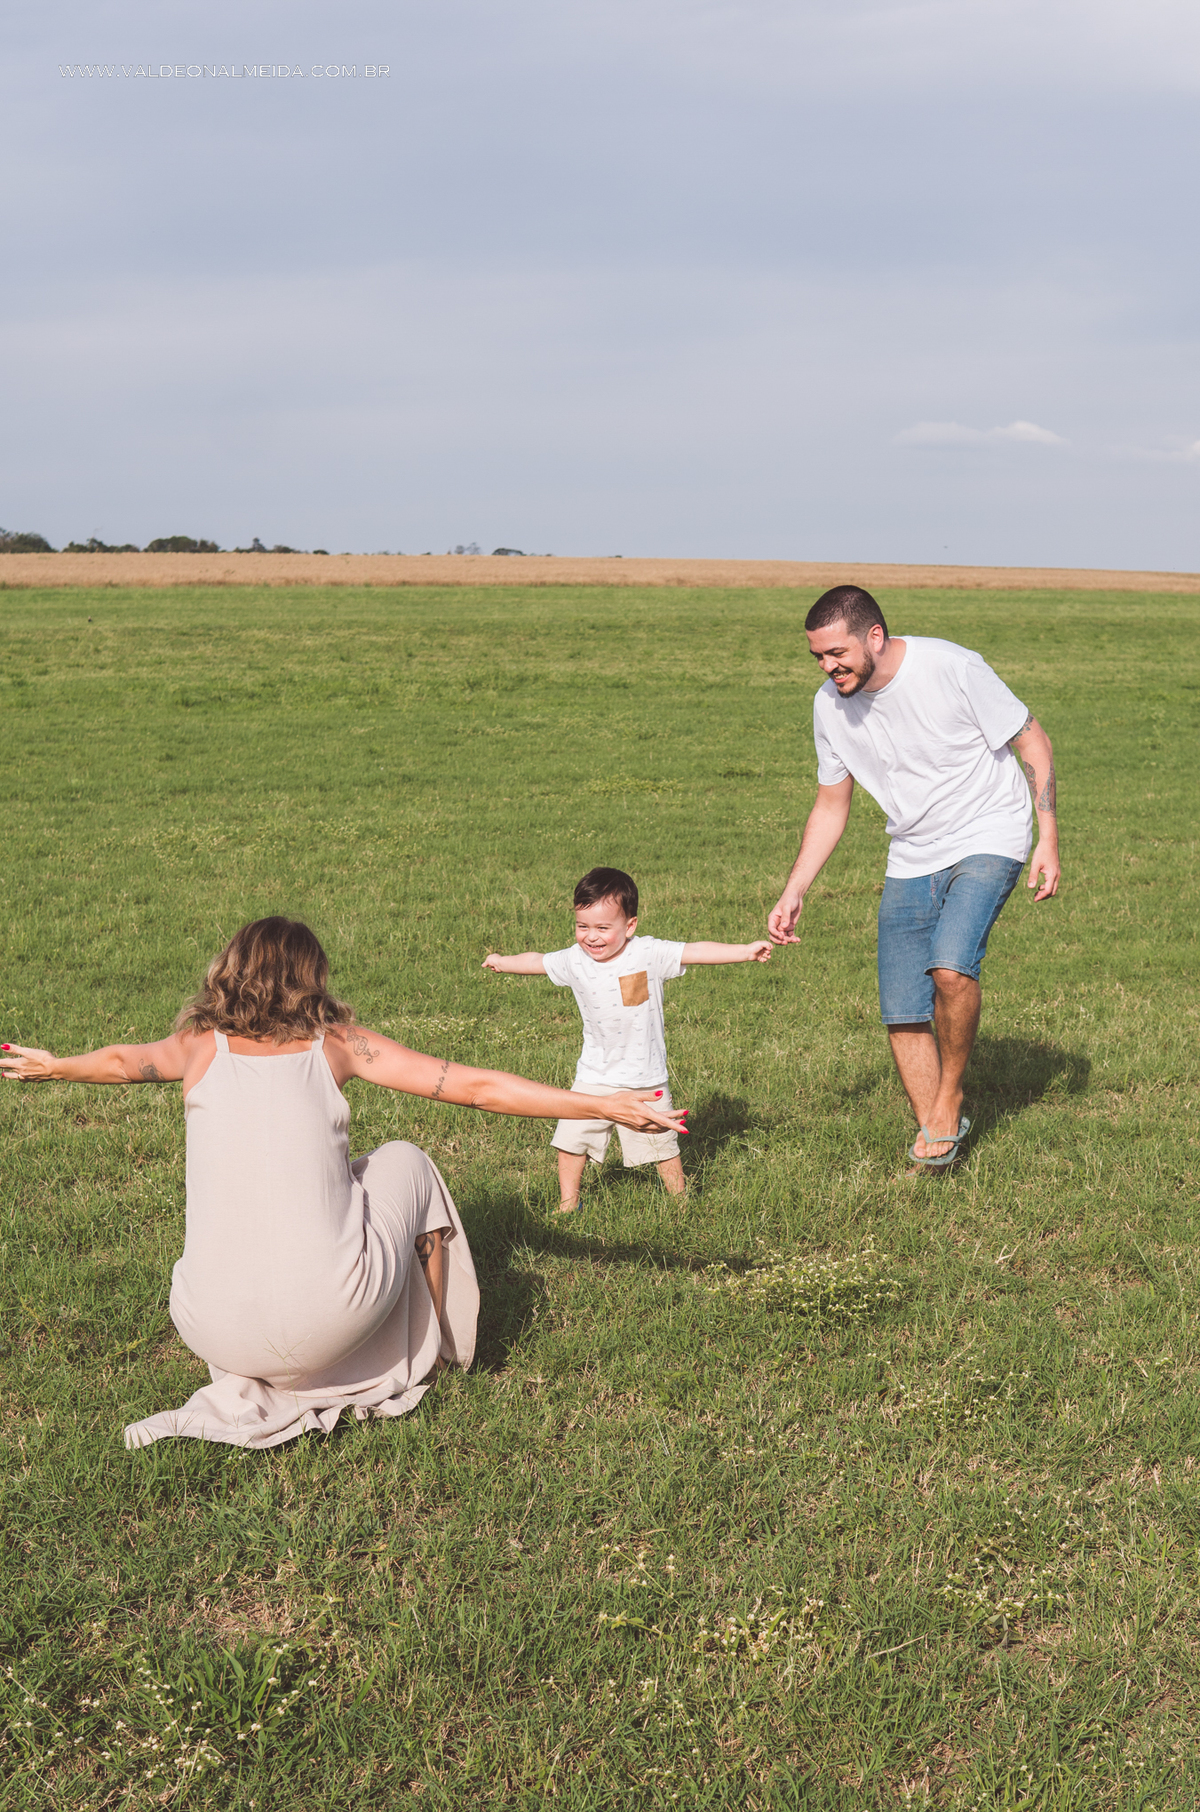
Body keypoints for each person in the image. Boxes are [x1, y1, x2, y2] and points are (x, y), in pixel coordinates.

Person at [0, 917, 685, 1449]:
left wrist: (54, 1066)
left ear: (227, 973)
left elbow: (124, 1062)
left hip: (207, 1326)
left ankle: (296, 1361)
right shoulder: (336, 1045)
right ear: (313, 977)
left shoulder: (197, 1049)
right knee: (406, 1161)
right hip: (329, 1318)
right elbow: (477, 1088)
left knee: (344, 1180)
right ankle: (438, 1359)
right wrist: (601, 1104)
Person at [767, 586, 1059, 1172]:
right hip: (910, 851)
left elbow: (1033, 739)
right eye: (817, 657)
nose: (828, 668)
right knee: (901, 1008)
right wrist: (795, 887)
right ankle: (938, 1133)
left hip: (988, 833)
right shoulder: (829, 706)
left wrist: (1047, 836)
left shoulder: (951, 667)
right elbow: (831, 804)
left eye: (836, 653)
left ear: (874, 636)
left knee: (951, 968)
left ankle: (949, 1099)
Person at [483, 866, 772, 1212]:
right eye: (582, 926)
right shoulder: (575, 960)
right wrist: (503, 961)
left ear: (630, 926)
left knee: (661, 1143)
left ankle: (682, 1205)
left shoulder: (647, 953)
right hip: (592, 1075)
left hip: (644, 1077)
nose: (591, 937)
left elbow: (695, 951)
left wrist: (744, 951)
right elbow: (537, 962)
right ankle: (567, 1204)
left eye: (603, 928)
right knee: (571, 1141)